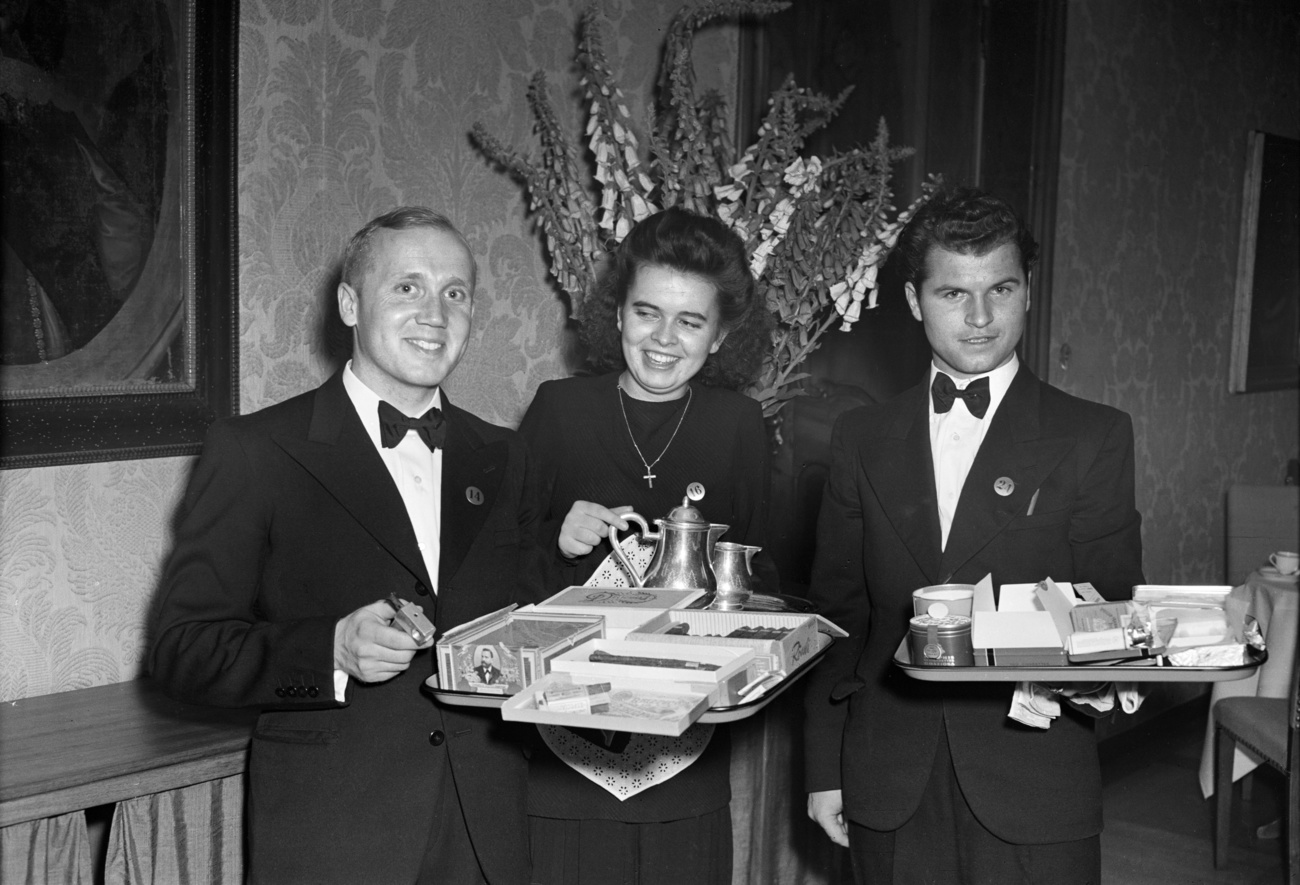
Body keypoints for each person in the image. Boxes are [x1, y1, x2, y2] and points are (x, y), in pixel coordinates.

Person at [150, 207, 546, 884]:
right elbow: (180, 648)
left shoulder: (507, 455)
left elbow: (536, 623)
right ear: (349, 303)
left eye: (455, 293)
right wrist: (327, 650)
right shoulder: (254, 452)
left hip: (488, 834)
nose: (435, 313)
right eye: (407, 287)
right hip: (334, 837)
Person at [803, 188, 1145, 884]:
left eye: (1001, 289)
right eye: (954, 293)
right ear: (912, 299)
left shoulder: (1094, 434)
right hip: (889, 772)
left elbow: (1112, 605)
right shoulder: (860, 438)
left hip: (1034, 774)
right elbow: (837, 615)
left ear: (1027, 291)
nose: (981, 316)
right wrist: (823, 767)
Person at [518, 206, 774, 885]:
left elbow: (771, 575)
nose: (664, 338)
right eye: (646, 312)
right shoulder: (557, 410)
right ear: (619, 314)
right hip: (561, 752)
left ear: (718, 337)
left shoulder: (740, 426)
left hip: (686, 751)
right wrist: (558, 538)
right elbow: (493, 566)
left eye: (690, 321)